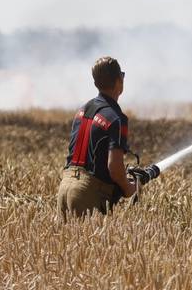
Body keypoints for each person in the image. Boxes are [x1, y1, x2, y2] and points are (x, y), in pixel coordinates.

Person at [57, 56, 139, 217]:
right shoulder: (116, 118)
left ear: (96, 84)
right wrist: (129, 188)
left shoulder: (82, 110)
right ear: (119, 81)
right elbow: (114, 168)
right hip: (86, 194)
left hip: (64, 188)